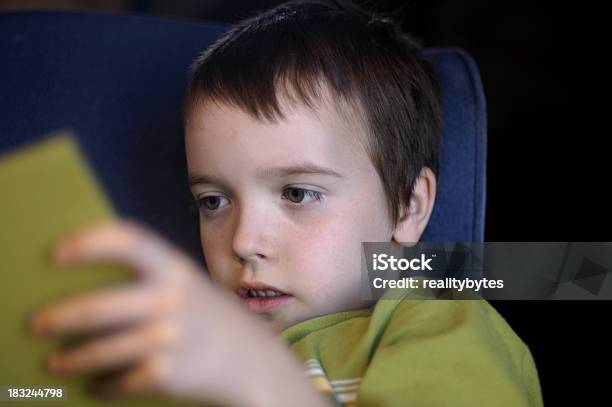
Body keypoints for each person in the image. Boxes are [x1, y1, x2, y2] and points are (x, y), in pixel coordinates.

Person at [29, 1, 543, 405]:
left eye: (298, 193)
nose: (245, 243)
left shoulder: (437, 323)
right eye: (213, 201)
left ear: (408, 208)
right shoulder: (179, 340)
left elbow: (580, 275)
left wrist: (267, 382)